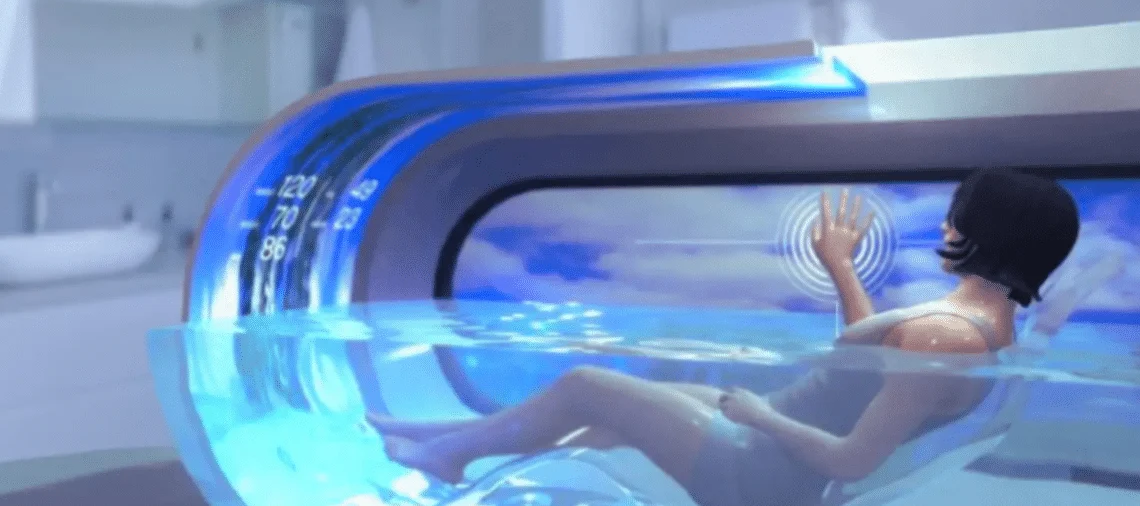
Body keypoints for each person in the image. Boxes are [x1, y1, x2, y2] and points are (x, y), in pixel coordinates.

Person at [369, 168, 1081, 506]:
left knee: (589, 386)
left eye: (958, 216)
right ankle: (448, 437)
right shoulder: (977, 325)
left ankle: (449, 455)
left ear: (985, 231)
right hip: (772, 443)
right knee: (615, 413)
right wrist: (839, 265)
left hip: (765, 471)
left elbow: (855, 458)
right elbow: (866, 365)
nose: (947, 226)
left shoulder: (945, 340)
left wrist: (761, 415)